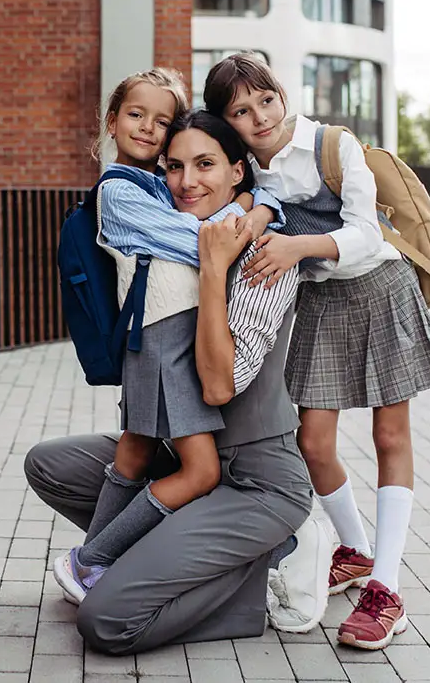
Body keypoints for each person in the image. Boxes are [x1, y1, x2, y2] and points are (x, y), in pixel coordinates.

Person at [26, 110, 319, 654]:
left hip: (257, 483)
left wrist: (214, 269)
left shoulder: (266, 258)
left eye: (205, 165)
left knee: (106, 622)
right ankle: (164, 556)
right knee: (48, 464)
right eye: (176, 166)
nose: (188, 182)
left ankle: (253, 571)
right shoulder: (172, 231)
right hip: (183, 463)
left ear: (238, 171)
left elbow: (217, 387)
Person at [202, 51, 430, 650]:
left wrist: (295, 247)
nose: (260, 116)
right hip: (321, 305)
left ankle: (386, 590)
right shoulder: (247, 175)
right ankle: (358, 552)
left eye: (266, 98)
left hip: (380, 288)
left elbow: (368, 234)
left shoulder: (333, 146)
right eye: (241, 109)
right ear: (224, 121)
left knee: (390, 436)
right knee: (312, 443)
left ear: (282, 93)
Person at [54, 69, 284, 602]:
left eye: (162, 121)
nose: (147, 129)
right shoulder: (117, 191)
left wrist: (248, 207)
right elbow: (201, 244)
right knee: (200, 471)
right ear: (111, 120)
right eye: (136, 115)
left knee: (134, 455)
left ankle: (87, 568)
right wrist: (249, 209)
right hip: (161, 341)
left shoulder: (159, 185)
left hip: (164, 336)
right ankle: (93, 560)